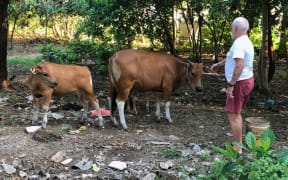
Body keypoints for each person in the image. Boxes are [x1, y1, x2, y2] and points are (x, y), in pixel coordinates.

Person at [210, 17, 254, 153]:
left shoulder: (239, 43)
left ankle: (237, 148)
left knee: (233, 114)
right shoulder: (245, 41)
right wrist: (219, 64)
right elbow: (232, 58)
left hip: (239, 83)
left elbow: (239, 65)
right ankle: (239, 144)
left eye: (231, 28)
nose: (231, 31)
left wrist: (231, 85)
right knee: (236, 113)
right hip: (247, 80)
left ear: (235, 28)